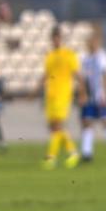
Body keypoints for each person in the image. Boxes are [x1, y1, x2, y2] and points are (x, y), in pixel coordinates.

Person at [78, 28, 106, 162]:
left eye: (94, 41)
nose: (92, 44)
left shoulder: (102, 56)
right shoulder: (84, 58)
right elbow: (82, 78)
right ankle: (87, 153)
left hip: (100, 96)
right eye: (90, 42)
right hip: (89, 97)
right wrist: (83, 95)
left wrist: (104, 93)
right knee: (87, 122)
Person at [42, 26, 81, 169]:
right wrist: (34, 91)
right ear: (52, 39)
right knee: (53, 128)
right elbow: (46, 75)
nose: (56, 40)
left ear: (61, 38)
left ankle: (51, 157)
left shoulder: (69, 54)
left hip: (63, 94)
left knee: (57, 125)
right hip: (50, 95)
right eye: (54, 37)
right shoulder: (50, 56)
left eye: (58, 37)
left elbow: (77, 74)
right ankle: (73, 152)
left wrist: (82, 93)